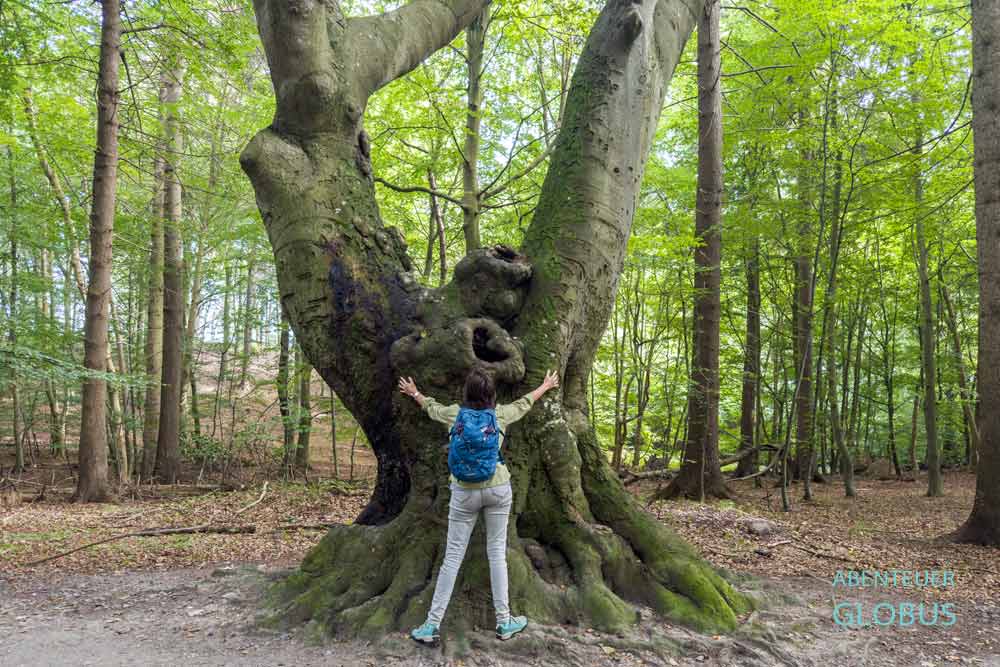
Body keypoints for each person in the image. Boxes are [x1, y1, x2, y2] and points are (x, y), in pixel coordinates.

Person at [398, 367, 560, 644]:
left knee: (452, 558)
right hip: (497, 487)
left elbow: (431, 408)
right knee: (496, 553)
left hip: (463, 492)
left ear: (466, 393)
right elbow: (524, 403)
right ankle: (504, 621)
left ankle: (431, 624)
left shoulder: (454, 415)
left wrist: (415, 393)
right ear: (492, 395)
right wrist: (545, 386)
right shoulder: (499, 416)